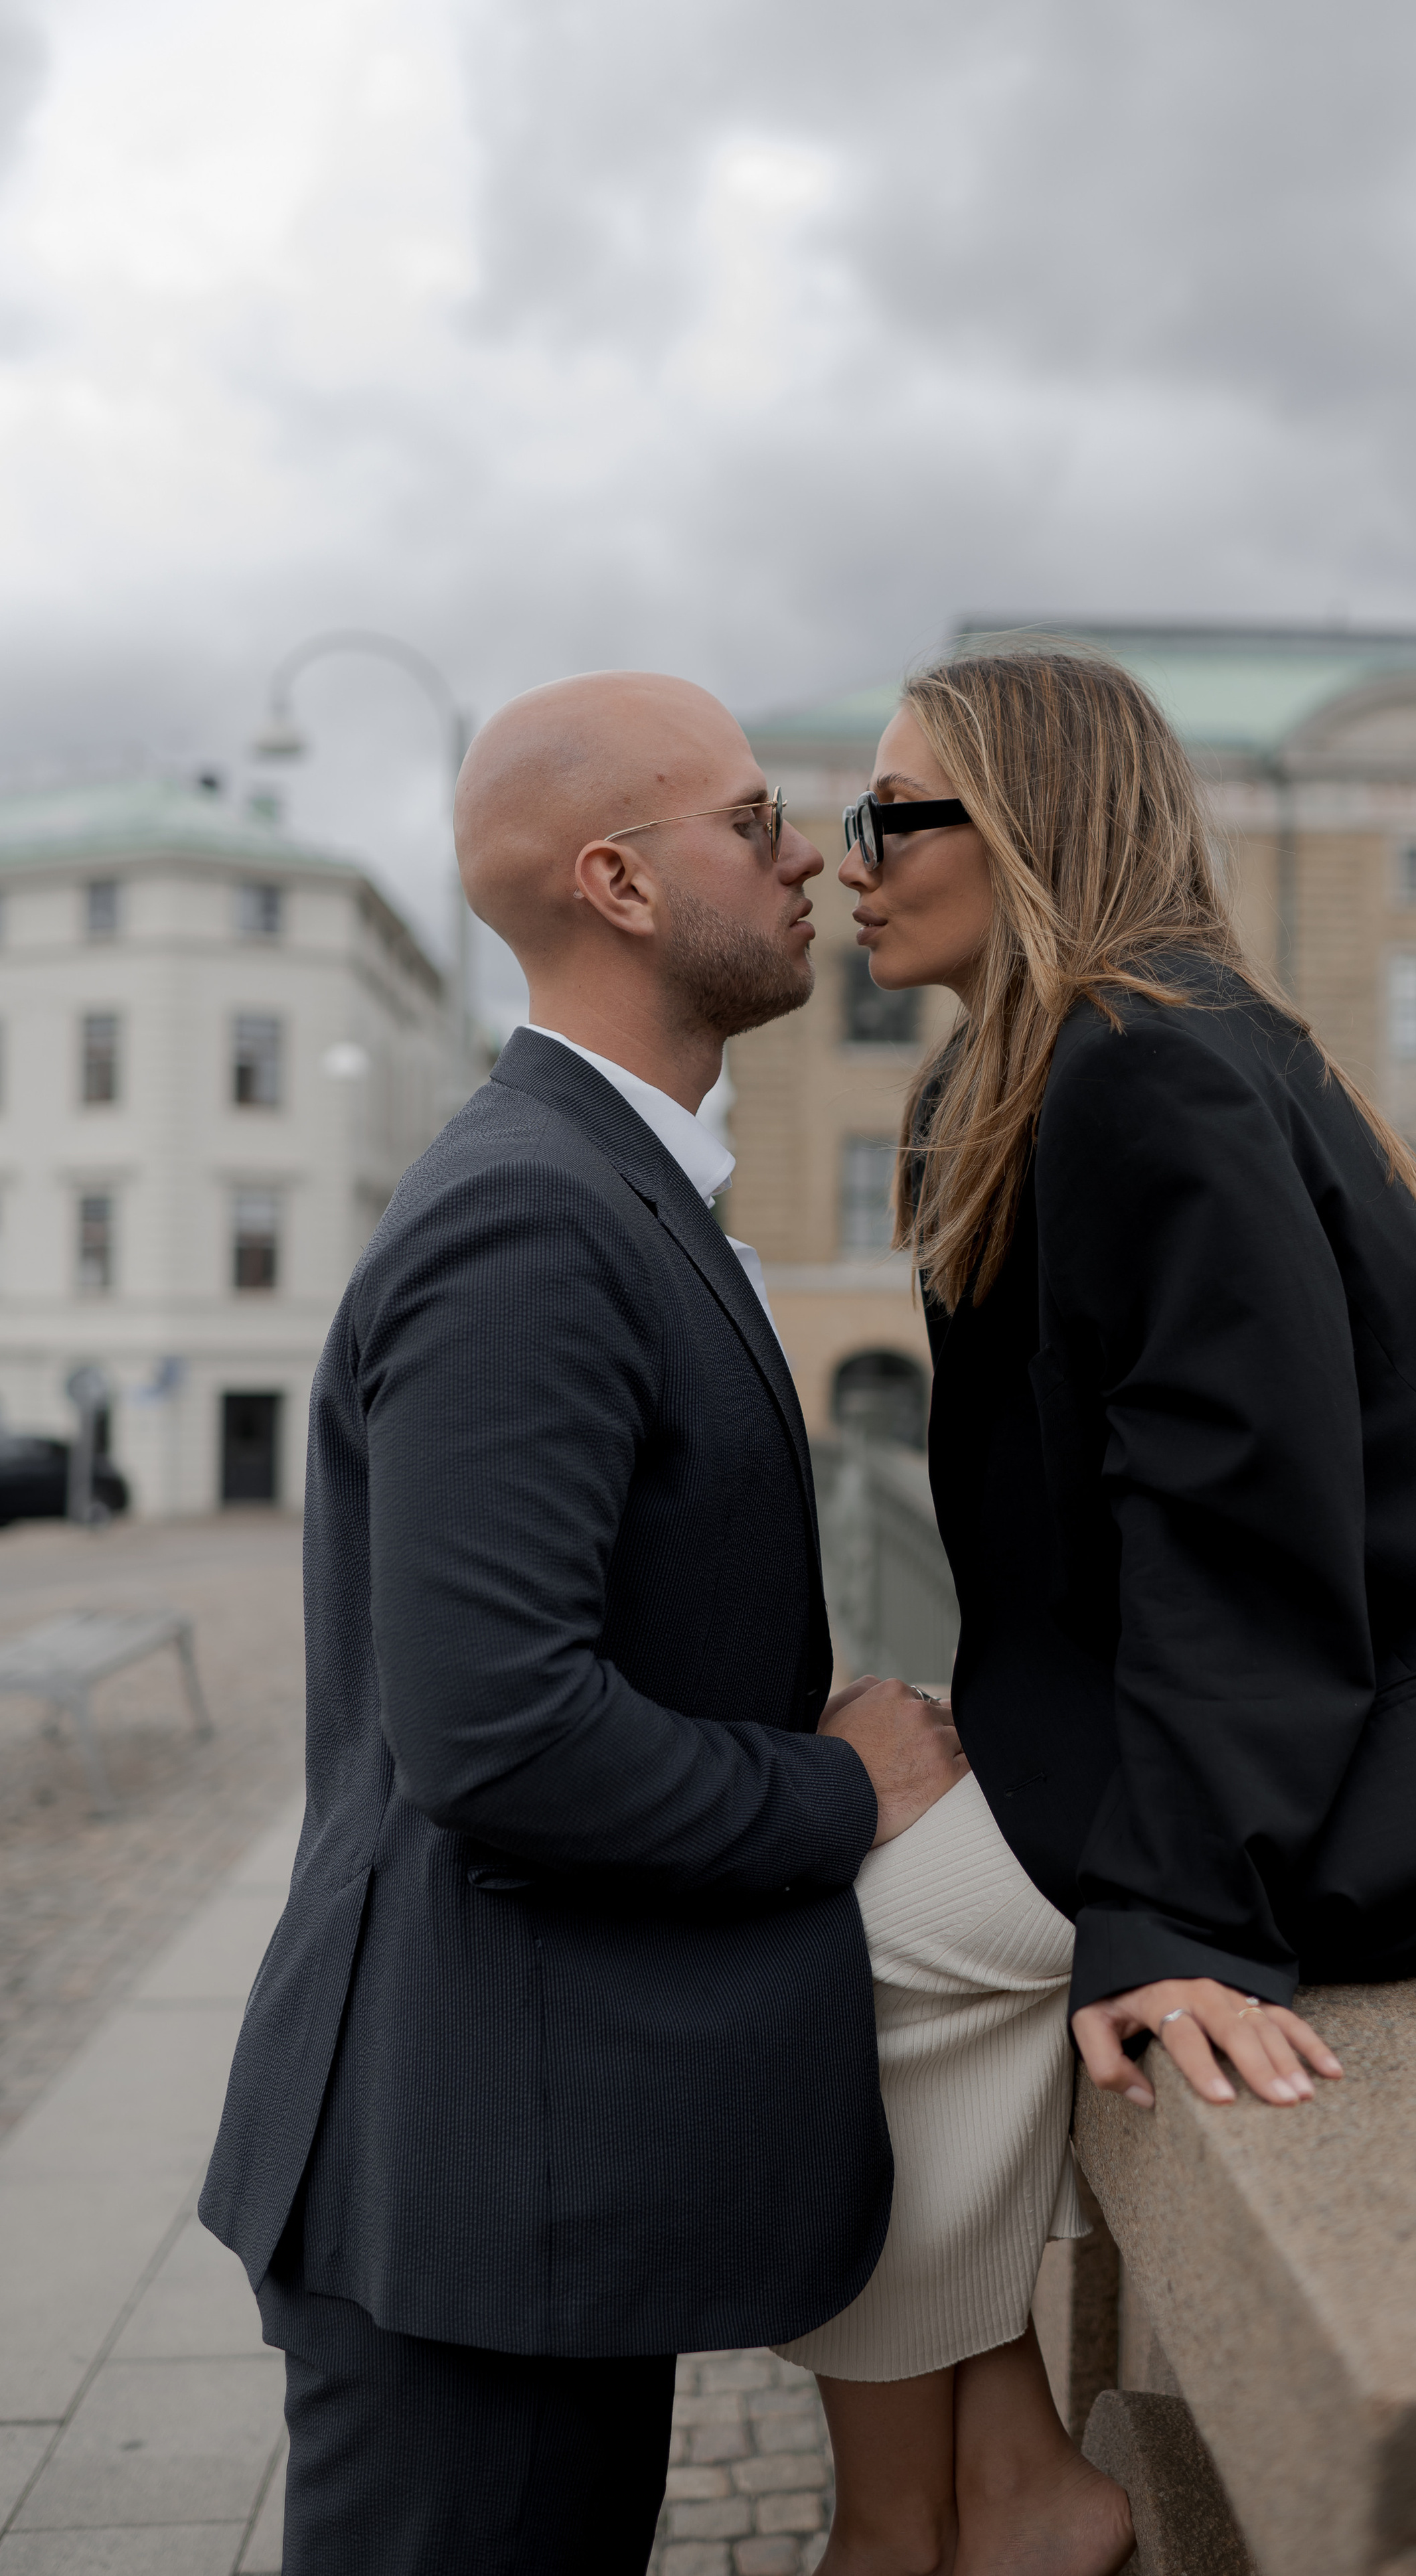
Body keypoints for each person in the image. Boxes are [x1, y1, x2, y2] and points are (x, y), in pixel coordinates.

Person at [791, 641, 1416, 2576]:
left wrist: (1180, 1915)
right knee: (864, 1918)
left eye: (891, 814)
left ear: (1022, 828)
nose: (848, 862)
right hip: (1314, 1723)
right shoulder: (1039, 1070)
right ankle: (987, 2492)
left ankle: (938, 2512)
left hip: (1413, 1768)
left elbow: (1241, 1521)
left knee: (819, 1942)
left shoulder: (1144, 1066)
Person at [198, 671, 967, 2576]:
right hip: (471, 2177)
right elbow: (503, 1731)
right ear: (622, 885)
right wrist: (833, 1792)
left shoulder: (607, 1181)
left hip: (535, 2156)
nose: (811, 859)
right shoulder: (533, 1215)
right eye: (754, 822)